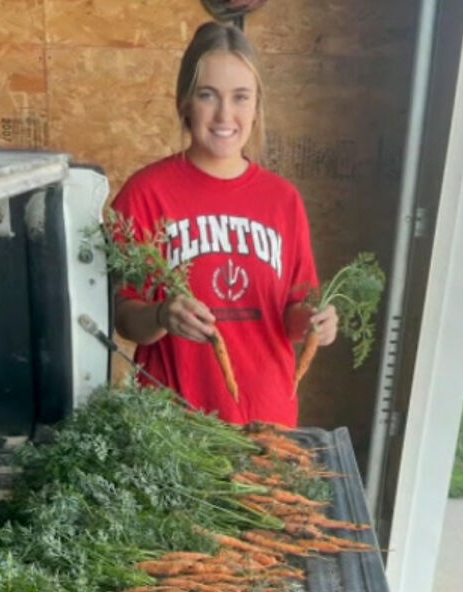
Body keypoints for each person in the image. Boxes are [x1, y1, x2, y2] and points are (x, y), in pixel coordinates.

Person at [111, 20, 338, 427]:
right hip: (169, 428)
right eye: (207, 95)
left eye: (240, 97)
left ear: (256, 107)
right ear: (184, 102)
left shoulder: (283, 201)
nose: (224, 115)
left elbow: (294, 315)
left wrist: (316, 321)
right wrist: (163, 315)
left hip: (268, 422)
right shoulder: (145, 194)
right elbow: (124, 317)